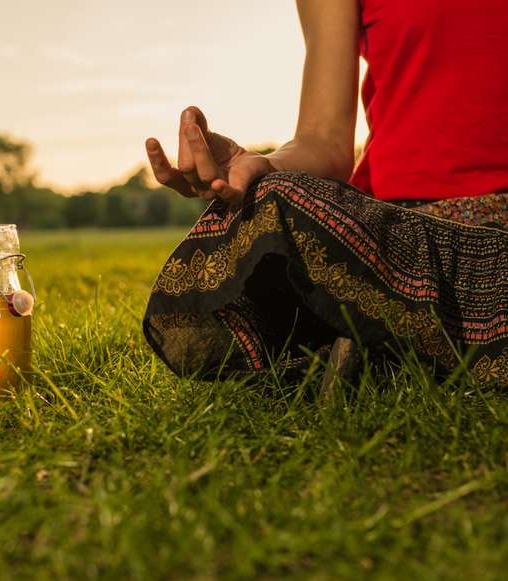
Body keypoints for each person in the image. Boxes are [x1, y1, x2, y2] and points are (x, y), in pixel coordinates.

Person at [142, 0, 508, 387]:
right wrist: (264, 167)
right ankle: (404, 335)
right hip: (401, 239)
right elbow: (323, 141)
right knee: (275, 198)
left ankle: (378, 343)